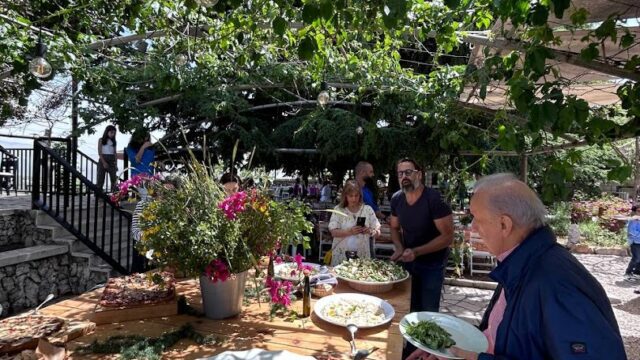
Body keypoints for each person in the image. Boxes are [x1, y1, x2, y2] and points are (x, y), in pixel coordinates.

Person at [408, 173, 627, 360]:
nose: (472, 227)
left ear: (504, 224)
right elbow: (501, 337)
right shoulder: (520, 262)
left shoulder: (557, 283)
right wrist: (447, 349)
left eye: (476, 218)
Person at [389, 158, 454, 313]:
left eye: (408, 172)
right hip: (407, 260)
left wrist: (416, 251)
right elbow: (394, 227)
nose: (404, 176)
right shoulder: (397, 199)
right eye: (400, 173)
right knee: (407, 305)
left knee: (428, 311)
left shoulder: (433, 199)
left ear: (418, 175)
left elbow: (447, 237)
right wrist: (399, 247)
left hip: (432, 264)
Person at [328, 180, 380, 266]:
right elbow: (333, 232)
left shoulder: (367, 210)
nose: (354, 199)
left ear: (360, 195)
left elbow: (378, 232)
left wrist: (370, 231)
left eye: (356, 195)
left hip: (362, 258)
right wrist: (350, 232)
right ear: (345, 196)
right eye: (351, 196)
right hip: (341, 257)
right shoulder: (338, 210)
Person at [125, 129, 155, 200]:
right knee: (146, 198)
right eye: (144, 137)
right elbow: (136, 161)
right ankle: (140, 210)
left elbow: (152, 160)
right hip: (138, 177)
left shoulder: (151, 148)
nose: (146, 139)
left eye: (147, 137)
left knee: (150, 199)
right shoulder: (131, 147)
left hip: (149, 177)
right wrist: (143, 147)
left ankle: (141, 210)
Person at [97, 125, 119, 193]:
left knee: (113, 177)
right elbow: (100, 152)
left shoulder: (114, 142)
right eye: (111, 132)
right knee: (100, 177)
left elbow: (115, 153)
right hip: (103, 159)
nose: (113, 134)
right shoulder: (101, 140)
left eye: (114, 133)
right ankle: (99, 192)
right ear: (107, 132)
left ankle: (114, 193)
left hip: (112, 159)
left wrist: (116, 164)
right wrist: (104, 162)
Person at [625, 205, 640, 282]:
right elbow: (632, 232)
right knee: (636, 258)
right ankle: (628, 273)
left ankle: (637, 273)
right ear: (635, 211)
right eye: (638, 211)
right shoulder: (633, 220)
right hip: (635, 242)